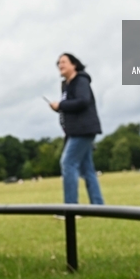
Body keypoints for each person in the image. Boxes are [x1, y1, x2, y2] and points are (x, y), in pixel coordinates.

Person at [49, 53, 104, 206]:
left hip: (84, 129)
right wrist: (60, 109)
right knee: (87, 170)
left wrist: (60, 106)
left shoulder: (80, 80)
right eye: (59, 63)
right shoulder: (66, 85)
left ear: (74, 64)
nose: (60, 65)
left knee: (67, 163)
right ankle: (98, 205)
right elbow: (71, 106)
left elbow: (83, 101)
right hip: (74, 131)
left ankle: (71, 207)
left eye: (64, 62)